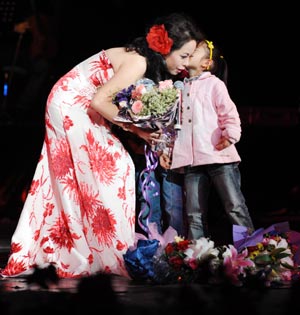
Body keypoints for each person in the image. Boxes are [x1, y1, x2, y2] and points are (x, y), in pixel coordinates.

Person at [0, 12, 204, 279]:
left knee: (93, 173)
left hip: (73, 104)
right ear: (167, 48)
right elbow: (98, 101)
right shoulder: (138, 62)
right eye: (184, 56)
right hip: (72, 105)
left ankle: (89, 246)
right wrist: (137, 130)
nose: (186, 64)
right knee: (116, 167)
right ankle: (104, 249)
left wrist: (139, 129)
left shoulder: (141, 62)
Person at [166, 39, 255, 241]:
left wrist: (229, 136)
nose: (189, 53)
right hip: (191, 160)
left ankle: (249, 251)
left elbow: (229, 113)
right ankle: (197, 257)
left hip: (217, 155)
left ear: (206, 63)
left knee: (234, 206)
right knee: (194, 213)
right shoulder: (178, 87)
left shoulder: (214, 84)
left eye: (195, 52)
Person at [0, 0, 59, 121]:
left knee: (43, 67)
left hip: (26, 51)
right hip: (7, 49)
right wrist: (13, 28)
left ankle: (21, 108)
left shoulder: (38, 6)